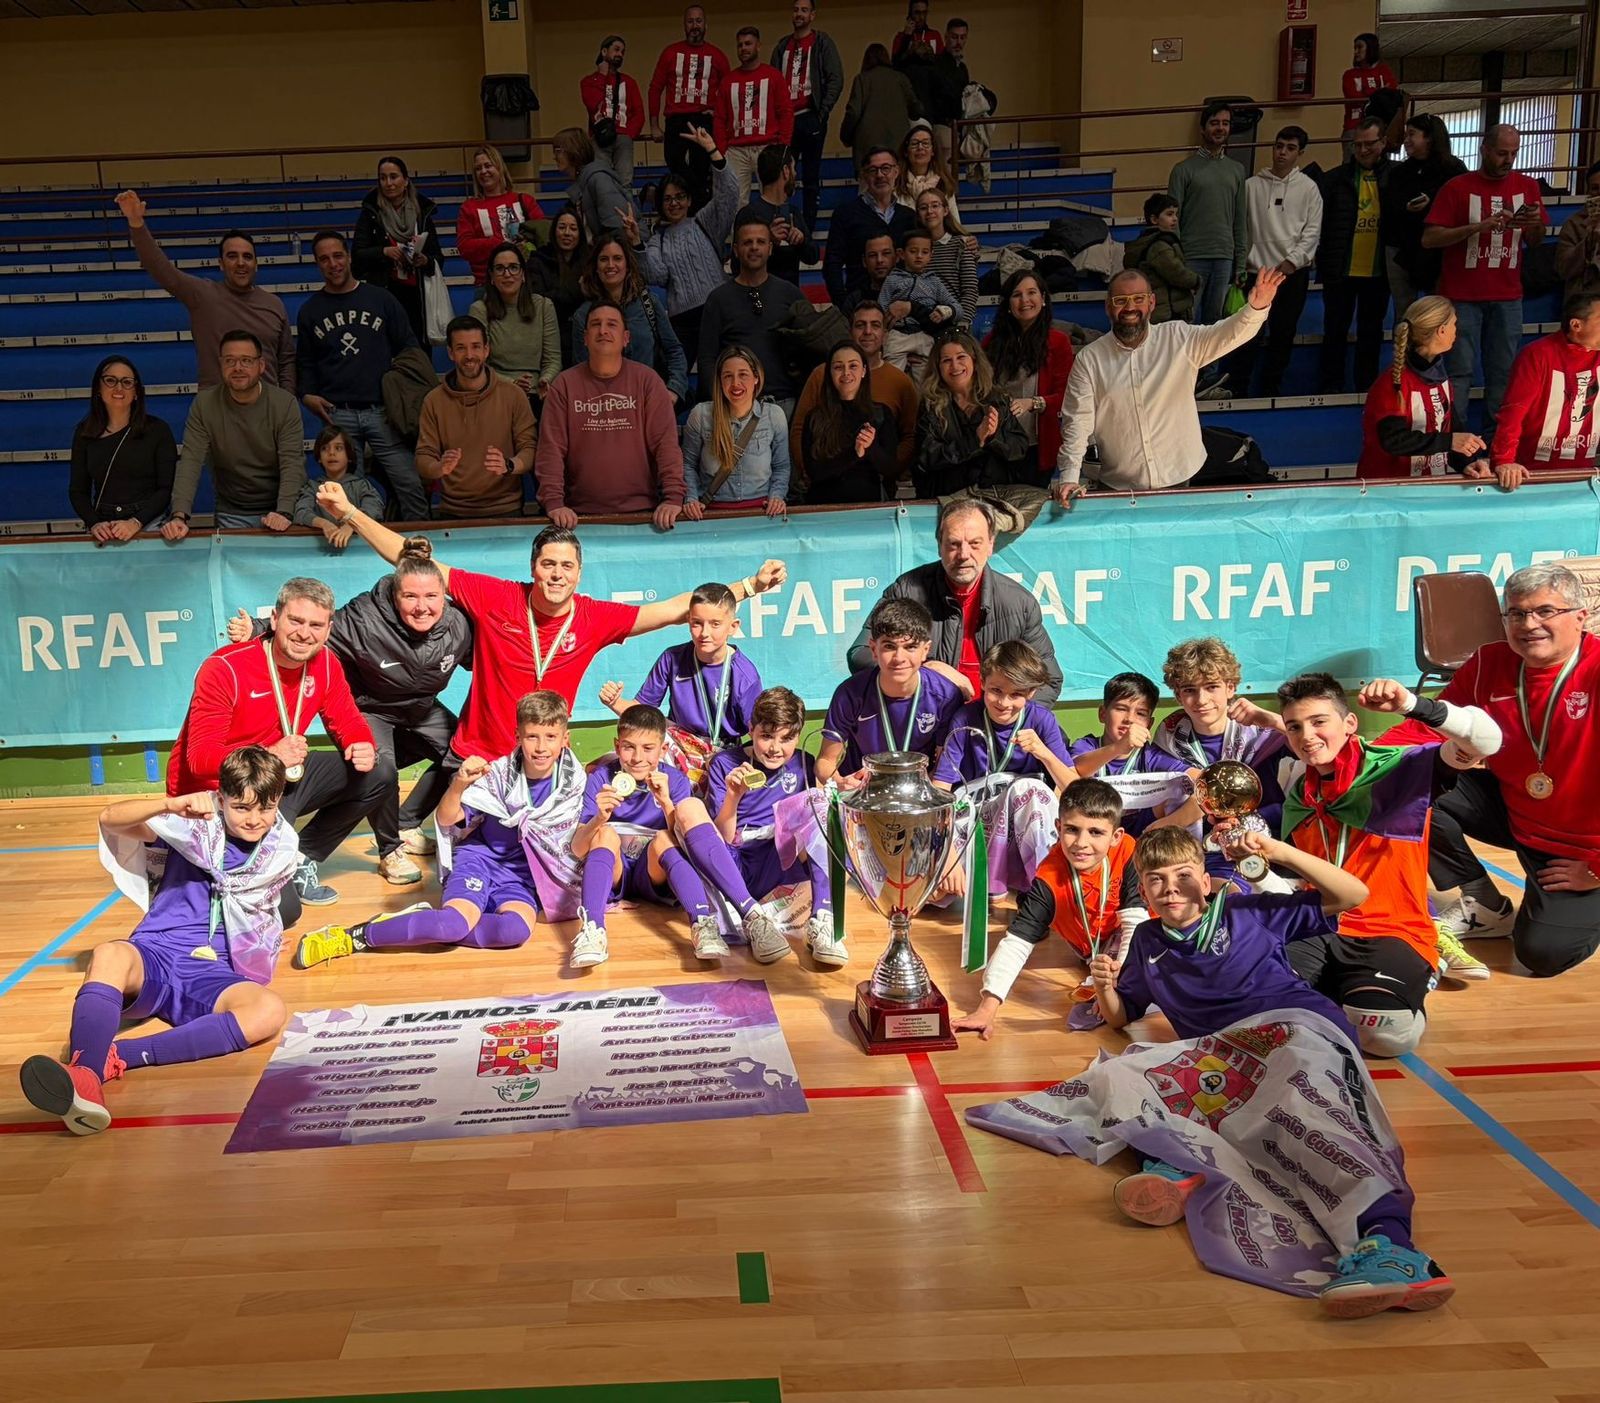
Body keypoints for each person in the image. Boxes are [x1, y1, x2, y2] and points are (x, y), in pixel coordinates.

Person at [1088, 826, 1456, 1320]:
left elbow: (1354, 894)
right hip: (1225, 1054)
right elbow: (1122, 1014)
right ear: (1143, 886)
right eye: (1155, 879)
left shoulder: (1249, 912)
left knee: (1316, 1121)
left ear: (1205, 875)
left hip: (1296, 1031)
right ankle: (1184, 1161)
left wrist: (1276, 852)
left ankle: (1392, 1246)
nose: (1170, 887)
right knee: (1120, 1072)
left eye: (1182, 874)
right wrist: (1104, 987)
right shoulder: (1149, 941)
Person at [317, 480, 787, 761]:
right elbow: (410, 560)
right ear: (533, 567)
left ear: (578, 573)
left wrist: (747, 587)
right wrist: (352, 513)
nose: (556, 574)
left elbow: (672, 608)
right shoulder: (496, 596)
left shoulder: (594, 617)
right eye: (548, 564)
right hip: (478, 756)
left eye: (566, 567)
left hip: (545, 758)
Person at [18, 747, 298, 1136]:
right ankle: (84, 1074)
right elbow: (109, 819)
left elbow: (262, 908)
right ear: (222, 798)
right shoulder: (190, 828)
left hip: (211, 973)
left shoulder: (282, 846)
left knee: (268, 1011)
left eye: (264, 809)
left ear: (278, 801)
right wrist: (169, 804)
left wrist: (265, 942)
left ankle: (112, 1059)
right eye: (241, 808)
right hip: (157, 952)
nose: (254, 820)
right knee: (110, 953)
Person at [1382, 564, 1600, 977]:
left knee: (1542, 955)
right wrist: (1360, 757)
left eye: (1544, 612)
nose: (1528, 624)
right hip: (1517, 812)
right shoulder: (1490, 662)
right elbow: (1426, 729)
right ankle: (1484, 902)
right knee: (1404, 781)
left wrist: (1597, 867)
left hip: (1583, 849)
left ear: (1580, 617)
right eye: (1516, 614)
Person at [1272, 672, 1504, 1043]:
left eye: (1319, 722)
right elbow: (1295, 880)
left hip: (1391, 930)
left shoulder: (1399, 769)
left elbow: (1487, 741)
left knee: (1384, 1036)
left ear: (1350, 723)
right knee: (1262, 1013)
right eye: (1294, 727)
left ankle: (1421, 967)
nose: (1307, 736)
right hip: (1321, 926)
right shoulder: (1302, 792)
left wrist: (1412, 706)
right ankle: (1340, 989)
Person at [226, 546, 473, 886]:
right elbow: (309, 629)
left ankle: (406, 822)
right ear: (394, 593)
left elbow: (491, 655)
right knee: (379, 766)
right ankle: (390, 851)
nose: (422, 606)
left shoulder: (459, 624)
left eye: (432, 596)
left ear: (444, 596)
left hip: (420, 707)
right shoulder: (364, 617)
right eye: (410, 596)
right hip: (372, 708)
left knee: (463, 753)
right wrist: (255, 628)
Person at [292, 691, 585, 968]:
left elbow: (570, 848)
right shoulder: (497, 774)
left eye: (550, 737)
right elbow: (447, 819)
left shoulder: (574, 784)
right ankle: (353, 936)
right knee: (454, 924)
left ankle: (424, 922)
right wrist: (459, 783)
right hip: (480, 862)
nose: (541, 747)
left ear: (565, 739)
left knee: (514, 933)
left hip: (521, 877)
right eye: (532, 736)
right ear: (517, 736)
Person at [167, 577, 379, 907]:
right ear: (275, 619)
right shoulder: (225, 668)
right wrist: (271, 755)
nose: (304, 633)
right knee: (286, 910)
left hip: (277, 779)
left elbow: (346, 717)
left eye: (316, 625)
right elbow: (200, 759)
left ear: (328, 628)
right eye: (295, 621)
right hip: (221, 794)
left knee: (378, 774)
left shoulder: (325, 663)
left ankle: (302, 857)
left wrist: (361, 742)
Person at [571, 703, 792, 967]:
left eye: (648, 748)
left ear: (663, 750)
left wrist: (665, 802)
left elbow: (686, 841)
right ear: (617, 746)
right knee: (604, 833)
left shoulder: (673, 780)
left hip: (655, 872)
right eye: (629, 747)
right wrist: (599, 817)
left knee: (666, 835)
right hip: (616, 873)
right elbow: (577, 848)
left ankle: (703, 924)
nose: (637, 757)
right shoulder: (601, 779)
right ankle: (592, 930)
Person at [1050, 267, 1285, 501]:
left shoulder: (1179, 338)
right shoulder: (1089, 359)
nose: (1130, 307)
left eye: (1138, 299)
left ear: (1151, 302)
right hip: (1117, 487)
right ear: (1108, 306)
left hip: (1181, 480)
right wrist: (1069, 476)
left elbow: (1228, 334)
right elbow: (1077, 422)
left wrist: (1255, 308)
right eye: (1121, 300)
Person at [953, 778, 1148, 1041]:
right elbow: (1017, 941)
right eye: (1072, 829)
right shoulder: (1048, 877)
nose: (1081, 843)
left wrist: (1122, 976)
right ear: (1058, 827)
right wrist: (987, 1009)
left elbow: (1136, 920)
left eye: (1096, 832)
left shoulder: (1128, 852)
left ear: (1116, 836)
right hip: (1093, 950)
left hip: (1141, 939)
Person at [847, 498, 1062, 702]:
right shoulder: (906, 591)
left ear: (990, 545)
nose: (964, 554)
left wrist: (1009, 721)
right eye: (953, 544)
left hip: (995, 726)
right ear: (939, 545)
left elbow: (1048, 681)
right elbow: (861, 655)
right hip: (926, 722)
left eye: (975, 543)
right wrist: (928, 670)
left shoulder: (1019, 604)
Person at [706, 685, 844, 965]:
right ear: (750, 728)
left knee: (822, 813)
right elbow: (721, 836)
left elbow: (815, 832)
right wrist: (734, 796)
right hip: (738, 859)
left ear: (799, 733)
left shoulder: (804, 762)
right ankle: (751, 919)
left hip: (779, 860)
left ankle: (823, 920)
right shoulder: (725, 764)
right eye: (766, 736)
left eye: (786, 738)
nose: (775, 748)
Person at [296, 230, 428, 522]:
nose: (333, 264)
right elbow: (304, 362)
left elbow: (409, 348)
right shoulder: (309, 312)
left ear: (349, 256)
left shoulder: (381, 299)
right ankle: (352, 549)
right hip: (337, 414)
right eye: (324, 259)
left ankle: (419, 548)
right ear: (318, 264)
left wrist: (401, 391)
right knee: (344, 494)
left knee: (410, 483)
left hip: (382, 411)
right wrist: (306, 394)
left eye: (338, 256)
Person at [1423, 124, 1545, 438]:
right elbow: (1430, 239)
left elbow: (1535, 240)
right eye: (1502, 153)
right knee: (1459, 372)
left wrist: (1533, 225)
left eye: (1514, 154)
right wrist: (1475, 228)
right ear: (1485, 150)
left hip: (1508, 296)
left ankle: (1496, 443)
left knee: (1503, 373)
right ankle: (1457, 440)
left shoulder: (1527, 188)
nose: (1509, 159)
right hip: (1461, 295)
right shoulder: (1457, 187)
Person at [930, 640, 1074, 901]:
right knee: (934, 894)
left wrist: (1043, 752)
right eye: (996, 690)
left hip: (1023, 824)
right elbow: (940, 791)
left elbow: (1074, 787)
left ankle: (1040, 894)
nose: (1004, 702)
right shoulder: (965, 717)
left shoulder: (1042, 720)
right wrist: (947, 853)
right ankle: (985, 882)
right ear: (983, 682)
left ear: (1030, 693)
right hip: (977, 819)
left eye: (1016, 694)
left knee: (1028, 789)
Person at [113, 190, 294, 390]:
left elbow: (286, 360)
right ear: (221, 264)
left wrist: (286, 401)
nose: (241, 263)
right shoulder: (203, 294)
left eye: (247, 257)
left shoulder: (274, 304)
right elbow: (160, 268)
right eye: (232, 256)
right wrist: (136, 223)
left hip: (266, 412)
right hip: (216, 412)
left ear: (256, 264)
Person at [599, 580, 764, 790]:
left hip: (724, 752)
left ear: (733, 626)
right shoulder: (672, 658)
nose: (704, 633)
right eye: (697, 623)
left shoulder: (745, 675)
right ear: (688, 622)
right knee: (609, 763)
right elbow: (643, 713)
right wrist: (616, 703)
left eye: (715, 624)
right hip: (677, 742)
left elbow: (759, 734)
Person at [534, 304, 687, 526]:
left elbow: (665, 444)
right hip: (576, 516)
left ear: (626, 338)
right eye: (596, 324)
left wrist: (673, 497)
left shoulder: (648, 381)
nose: (603, 330)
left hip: (643, 514)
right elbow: (551, 449)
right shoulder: (564, 385)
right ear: (585, 338)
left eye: (611, 325)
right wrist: (554, 503)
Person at [162, 330, 305, 539]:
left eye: (246, 360)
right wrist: (179, 516)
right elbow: (191, 461)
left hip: (279, 509)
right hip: (232, 509)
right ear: (220, 365)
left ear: (261, 366)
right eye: (230, 360)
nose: (237, 368)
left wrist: (284, 511)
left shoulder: (284, 404)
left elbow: (292, 463)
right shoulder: (204, 405)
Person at [818, 597, 966, 783]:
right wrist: (841, 783)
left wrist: (925, 789)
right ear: (873, 649)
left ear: (925, 650)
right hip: (862, 788)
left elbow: (943, 768)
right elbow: (825, 760)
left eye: (910, 647)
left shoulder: (946, 696)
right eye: (889, 646)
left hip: (916, 790)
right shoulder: (850, 693)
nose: (899, 657)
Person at [415, 315, 537, 520]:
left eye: (476, 347)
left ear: (486, 350)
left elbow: (530, 449)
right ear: (450, 353)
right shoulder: (433, 401)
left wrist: (510, 465)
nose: (469, 355)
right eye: (461, 348)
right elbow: (423, 457)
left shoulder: (513, 394)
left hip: (506, 508)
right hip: (453, 510)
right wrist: (438, 468)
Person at [1476, 292, 1600, 490]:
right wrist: (1503, 460)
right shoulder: (1537, 355)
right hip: (1530, 474)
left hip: (1585, 477)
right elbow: (1513, 412)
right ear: (1576, 325)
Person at [1357, 295, 1488, 480]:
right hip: (1386, 488)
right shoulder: (1393, 382)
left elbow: (1451, 431)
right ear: (1442, 331)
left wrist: (1467, 463)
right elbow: (1393, 440)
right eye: (1454, 324)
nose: (1456, 331)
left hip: (1427, 487)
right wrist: (1450, 442)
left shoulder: (1441, 378)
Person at [636, 125, 738, 359]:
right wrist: (636, 244)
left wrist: (712, 150)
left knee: (717, 375)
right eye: (667, 199)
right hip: (682, 321)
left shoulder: (705, 222)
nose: (674, 203)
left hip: (717, 311)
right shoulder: (657, 241)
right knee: (678, 378)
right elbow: (656, 276)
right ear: (660, 204)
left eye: (680, 197)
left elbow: (729, 194)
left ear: (689, 199)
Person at [792, 302, 917, 489]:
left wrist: (888, 468)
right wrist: (807, 473)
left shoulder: (899, 384)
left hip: (875, 492)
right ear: (850, 330)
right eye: (860, 325)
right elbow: (800, 429)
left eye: (875, 325)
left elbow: (909, 436)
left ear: (885, 333)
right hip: (824, 493)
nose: (867, 331)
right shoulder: (820, 375)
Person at [1243, 126, 1322, 396]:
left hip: (1291, 275)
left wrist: (1290, 263)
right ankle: (1239, 388)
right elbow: (1241, 229)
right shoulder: (1251, 186)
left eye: (1290, 148)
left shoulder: (1310, 189)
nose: (1282, 153)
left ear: (1300, 153)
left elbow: (1312, 232)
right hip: (1255, 272)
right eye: (1279, 146)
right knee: (1247, 336)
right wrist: (1246, 262)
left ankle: (1270, 390)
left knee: (1282, 335)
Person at [698, 214, 805, 412]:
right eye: (748, 242)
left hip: (786, 404)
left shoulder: (791, 294)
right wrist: (721, 401)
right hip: (736, 405)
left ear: (770, 248)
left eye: (761, 242)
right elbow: (706, 359)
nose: (754, 247)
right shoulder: (718, 299)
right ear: (736, 251)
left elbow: (808, 350)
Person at [1068, 672, 1195, 838]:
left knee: (1180, 789)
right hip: (1092, 835)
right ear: (1102, 714)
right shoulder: (1087, 745)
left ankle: (1186, 857)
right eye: (1121, 709)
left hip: (1141, 837)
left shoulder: (1150, 755)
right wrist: (1119, 747)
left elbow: (1196, 777)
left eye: (1140, 713)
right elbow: (1077, 769)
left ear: (1149, 724)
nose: (1129, 719)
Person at [1316, 117, 1392, 394]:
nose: (1362, 150)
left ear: (1383, 143)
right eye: (1357, 145)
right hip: (1340, 270)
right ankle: (1329, 389)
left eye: (1369, 144)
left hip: (1379, 272)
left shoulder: (1396, 176)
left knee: (1370, 335)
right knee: (1334, 332)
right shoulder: (1334, 178)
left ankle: (1366, 390)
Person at [983, 268, 1075, 484]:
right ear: (1007, 305)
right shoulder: (991, 342)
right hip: (998, 444)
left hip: (1037, 447)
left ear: (1043, 299)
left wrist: (1034, 403)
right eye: (1016, 295)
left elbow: (1067, 395)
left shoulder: (1058, 342)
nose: (1025, 300)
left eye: (1031, 292)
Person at [572, 235, 689, 404]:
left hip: (648, 401)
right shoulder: (583, 316)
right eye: (604, 259)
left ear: (627, 265)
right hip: (605, 406)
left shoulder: (649, 303)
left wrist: (673, 390)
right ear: (596, 268)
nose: (611, 265)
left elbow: (674, 351)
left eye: (617, 258)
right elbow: (581, 370)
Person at [70, 356, 175, 542]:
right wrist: (94, 523)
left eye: (127, 382)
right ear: (98, 388)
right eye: (110, 380)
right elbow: (78, 491)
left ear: (136, 392)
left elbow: (166, 489)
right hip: (103, 526)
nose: (119, 388)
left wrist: (135, 522)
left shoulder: (158, 430)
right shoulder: (84, 433)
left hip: (147, 522)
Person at [914, 331, 1027, 496]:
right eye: (946, 360)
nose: (955, 366)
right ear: (938, 368)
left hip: (995, 495)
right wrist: (974, 440)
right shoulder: (930, 405)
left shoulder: (997, 398)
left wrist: (993, 437)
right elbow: (927, 457)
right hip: (948, 497)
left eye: (961, 357)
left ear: (974, 360)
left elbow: (1019, 448)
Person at [1167, 101, 1248, 325]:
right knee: (1186, 322)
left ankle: (1212, 364)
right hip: (1191, 257)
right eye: (1214, 123)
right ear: (1203, 129)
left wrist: (1240, 263)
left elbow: (1240, 219)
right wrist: (1178, 258)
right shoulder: (1183, 170)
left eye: (1225, 123)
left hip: (1224, 258)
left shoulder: (1237, 170)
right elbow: (1172, 219)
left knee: (1216, 326)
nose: (1220, 128)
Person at [682, 347, 791, 512]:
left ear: (756, 378)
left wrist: (776, 497)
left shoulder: (774, 416)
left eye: (743, 375)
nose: (735, 384)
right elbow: (688, 464)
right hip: (712, 512)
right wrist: (691, 499)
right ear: (719, 380)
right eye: (728, 376)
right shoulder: (701, 415)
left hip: (761, 511)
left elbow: (781, 466)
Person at [794, 339, 900, 503]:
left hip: (868, 509)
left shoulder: (881, 413)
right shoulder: (815, 417)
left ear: (864, 371)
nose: (846, 373)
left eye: (853, 366)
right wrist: (854, 453)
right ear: (829, 372)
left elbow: (891, 470)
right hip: (824, 510)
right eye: (838, 367)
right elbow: (814, 473)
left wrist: (871, 447)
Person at [352, 156, 441, 348]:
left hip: (418, 296)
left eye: (394, 177)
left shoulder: (422, 213)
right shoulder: (370, 212)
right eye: (383, 178)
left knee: (418, 347)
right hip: (384, 291)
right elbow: (358, 256)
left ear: (406, 180)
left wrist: (425, 260)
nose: (388, 183)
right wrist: (383, 251)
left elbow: (438, 258)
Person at [771, 0, 844, 230]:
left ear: (812, 15)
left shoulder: (822, 42)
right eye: (795, 9)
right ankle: (782, 225)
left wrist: (822, 112)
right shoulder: (782, 46)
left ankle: (808, 231)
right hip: (786, 121)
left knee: (811, 178)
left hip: (811, 117)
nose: (798, 14)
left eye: (804, 10)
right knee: (782, 176)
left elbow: (836, 79)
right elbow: (772, 82)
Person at [1382, 114, 1466, 315]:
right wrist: (1406, 207)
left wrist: (1432, 203)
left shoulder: (1454, 169)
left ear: (1429, 137)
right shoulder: (1398, 172)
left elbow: (1462, 204)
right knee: (1404, 311)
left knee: (1437, 312)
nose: (1406, 140)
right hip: (1401, 248)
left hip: (1440, 251)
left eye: (1412, 134)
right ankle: (1404, 347)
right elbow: (1390, 205)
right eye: (1406, 135)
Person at [648, 5, 730, 209]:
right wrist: (654, 125)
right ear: (685, 25)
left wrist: (718, 114)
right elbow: (655, 88)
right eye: (691, 21)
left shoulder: (717, 55)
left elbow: (729, 91)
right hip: (676, 118)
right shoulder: (670, 53)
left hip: (703, 119)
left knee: (701, 167)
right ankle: (701, 196)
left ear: (705, 25)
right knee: (674, 162)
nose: (695, 25)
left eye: (699, 21)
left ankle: (697, 213)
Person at [468, 242, 562, 403]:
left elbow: (553, 359)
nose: (507, 274)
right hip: (494, 390)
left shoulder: (544, 306)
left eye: (513, 267)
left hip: (537, 392)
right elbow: (478, 363)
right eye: (500, 268)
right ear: (491, 277)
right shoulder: (479, 310)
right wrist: (511, 384)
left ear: (523, 274)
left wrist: (545, 380)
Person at [823, 147, 918, 304]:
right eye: (873, 170)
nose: (880, 175)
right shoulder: (845, 214)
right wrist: (842, 302)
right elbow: (832, 263)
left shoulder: (909, 216)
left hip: (903, 303)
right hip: (860, 303)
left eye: (886, 168)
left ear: (897, 171)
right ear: (864, 175)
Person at [717, 26, 793, 203]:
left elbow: (786, 113)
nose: (743, 48)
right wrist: (722, 151)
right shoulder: (728, 80)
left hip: (767, 147)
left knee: (774, 198)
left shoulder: (773, 76)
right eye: (740, 45)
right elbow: (720, 118)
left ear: (758, 46)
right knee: (735, 202)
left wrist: (783, 147)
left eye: (748, 44)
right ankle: (737, 232)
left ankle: (774, 231)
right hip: (736, 150)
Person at [457, 145, 544, 288]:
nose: (483, 171)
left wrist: (526, 246)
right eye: (478, 168)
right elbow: (465, 247)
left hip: (528, 282)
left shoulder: (525, 201)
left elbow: (543, 236)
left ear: (499, 167)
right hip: (487, 285)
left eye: (488, 165)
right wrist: (499, 244)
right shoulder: (469, 208)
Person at [738, 144, 819, 287]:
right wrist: (768, 241)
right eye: (793, 168)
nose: (795, 174)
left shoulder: (793, 212)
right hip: (758, 299)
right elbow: (737, 265)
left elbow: (813, 257)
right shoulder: (748, 215)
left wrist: (801, 241)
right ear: (786, 171)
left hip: (790, 301)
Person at [880, 228, 959, 373]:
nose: (919, 256)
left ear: (931, 255)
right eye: (913, 251)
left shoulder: (935, 283)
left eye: (924, 252)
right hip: (898, 334)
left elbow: (957, 308)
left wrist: (944, 312)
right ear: (901, 254)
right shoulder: (892, 279)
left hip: (925, 334)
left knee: (926, 382)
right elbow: (881, 308)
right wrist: (883, 330)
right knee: (892, 375)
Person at [291, 425, 385, 546]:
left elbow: (374, 507)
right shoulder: (312, 487)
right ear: (319, 457)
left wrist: (351, 524)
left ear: (349, 456)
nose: (331, 453)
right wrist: (324, 524)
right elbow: (301, 513)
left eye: (338, 448)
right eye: (325, 448)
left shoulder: (361, 485)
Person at [840, 45, 921, 175]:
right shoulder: (900, 78)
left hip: (867, 150)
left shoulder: (862, 79)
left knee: (868, 190)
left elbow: (853, 112)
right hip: (898, 147)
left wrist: (846, 137)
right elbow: (916, 110)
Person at [1123, 194, 1199, 326]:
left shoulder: (1148, 242)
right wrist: (1196, 280)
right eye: (1169, 214)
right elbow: (1176, 272)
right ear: (1154, 219)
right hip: (1168, 313)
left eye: (1175, 214)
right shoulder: (1159, 246)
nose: (1175, 219)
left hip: (1159, 311)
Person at [552, 127, 635, 246]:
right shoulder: (584, 182)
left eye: (558, 150)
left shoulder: (598, 179)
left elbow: (617, 227)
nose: (554, 156)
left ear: (573, 151)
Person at [529, 207, 589, 367]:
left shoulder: (590, 258)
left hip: (583, 331)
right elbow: (539, 300)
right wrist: (578, 292)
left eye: (573, 228)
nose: (567, 233)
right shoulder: (539, 259)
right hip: (550, 331)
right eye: (562, 227)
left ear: (580, 234)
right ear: (554, 231)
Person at [582, 36, 646, 187]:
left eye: (623, 52)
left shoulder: (629, 82)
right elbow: (593, 104)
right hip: (599, 138)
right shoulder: (589, 82)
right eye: (616, 50)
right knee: (600, 181)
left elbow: (639, 113)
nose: (620, 55)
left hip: (623, 138)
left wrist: (628, 133)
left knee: (625, 182)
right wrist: (602, 76)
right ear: (604, 51)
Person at [916, 186, 976, 325]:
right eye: (923, 208)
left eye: (935, 206)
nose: (929, 211)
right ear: (918, 214)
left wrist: (962, 322)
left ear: (946, 210)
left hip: (956, 322)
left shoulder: (960, 245)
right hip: (924, 324)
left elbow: (970, 290)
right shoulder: (915, 249)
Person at [896, 119, 961, 226]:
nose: (920, 148)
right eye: (914, 144)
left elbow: (955, 222)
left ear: (933, 151)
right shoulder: (896, 183)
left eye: (925, 143)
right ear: (906, 152)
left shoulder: (943, 183)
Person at [928, 17, 971, 176]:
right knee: (946, 177)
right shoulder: (936, 65)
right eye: (954, 37)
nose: (958, 42)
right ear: (946, 37)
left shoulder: (962, 68)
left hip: (955, 127)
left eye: (962, 37)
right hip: (942, 126)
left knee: (950, 177)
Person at [1555, 160, 1600, 302]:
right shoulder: (1574, 224)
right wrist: (1588, 242)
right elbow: (1563, 269)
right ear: (1588, 192)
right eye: (1595, 189)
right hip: (1584, 305)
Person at [890, 0, 943, 121]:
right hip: (909, 96)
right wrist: (907, 37)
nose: (921, 17)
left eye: (924, 13)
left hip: (931, 97)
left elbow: (941, 67)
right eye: (917, 13)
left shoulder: (935, 36)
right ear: (910, 15)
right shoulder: (900, 38)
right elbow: (895, 66)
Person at [1342, 32, 1397, 141]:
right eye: (1355, 48)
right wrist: (1378, 93)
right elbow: (1353, 97)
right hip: (1354, 126)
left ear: (1370, 48)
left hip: (1381, 126)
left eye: (1360, 47)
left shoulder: (1384, 71)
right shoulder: (1349, 75)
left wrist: (1368, 93)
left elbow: (1391, 94)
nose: (1356, 52)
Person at [842, 229, 899, 313]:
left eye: (886, 253)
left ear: (897, 257)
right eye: (872, 255)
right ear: (864, 261)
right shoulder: (854, 301)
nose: (879, 260)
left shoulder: (911, 293)